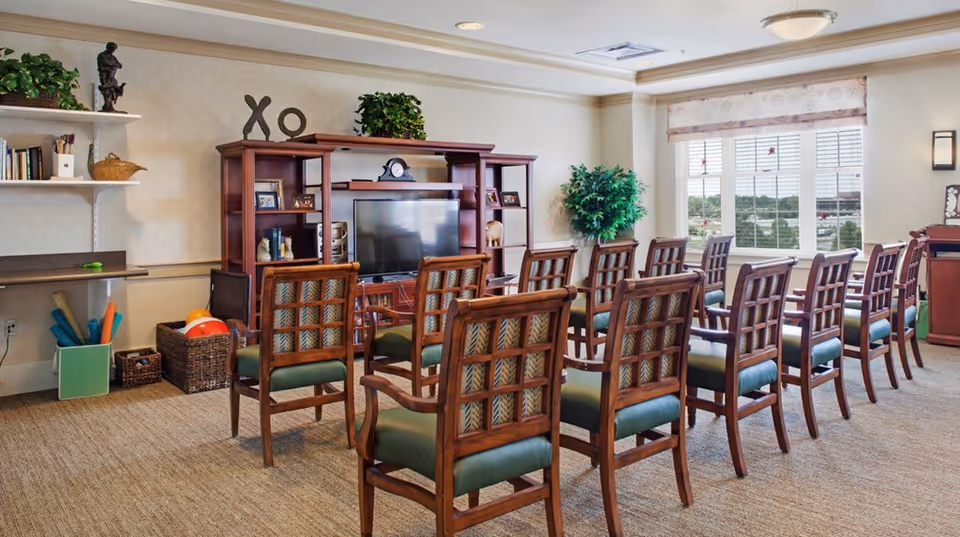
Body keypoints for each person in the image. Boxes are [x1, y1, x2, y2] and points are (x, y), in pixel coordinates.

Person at [97, 42, 126, 113]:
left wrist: (116, 65)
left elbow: (119, 64)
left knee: (114, 89)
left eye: (114, 49)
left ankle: (110, 106)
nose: (112, 50)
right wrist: (112, 66)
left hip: (111, 77)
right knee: (107, 91)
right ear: (107, 47)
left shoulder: (113, 57)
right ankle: (108, 106)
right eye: (111, 48)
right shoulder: (102, 55)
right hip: (105, 76)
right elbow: (104, 64)